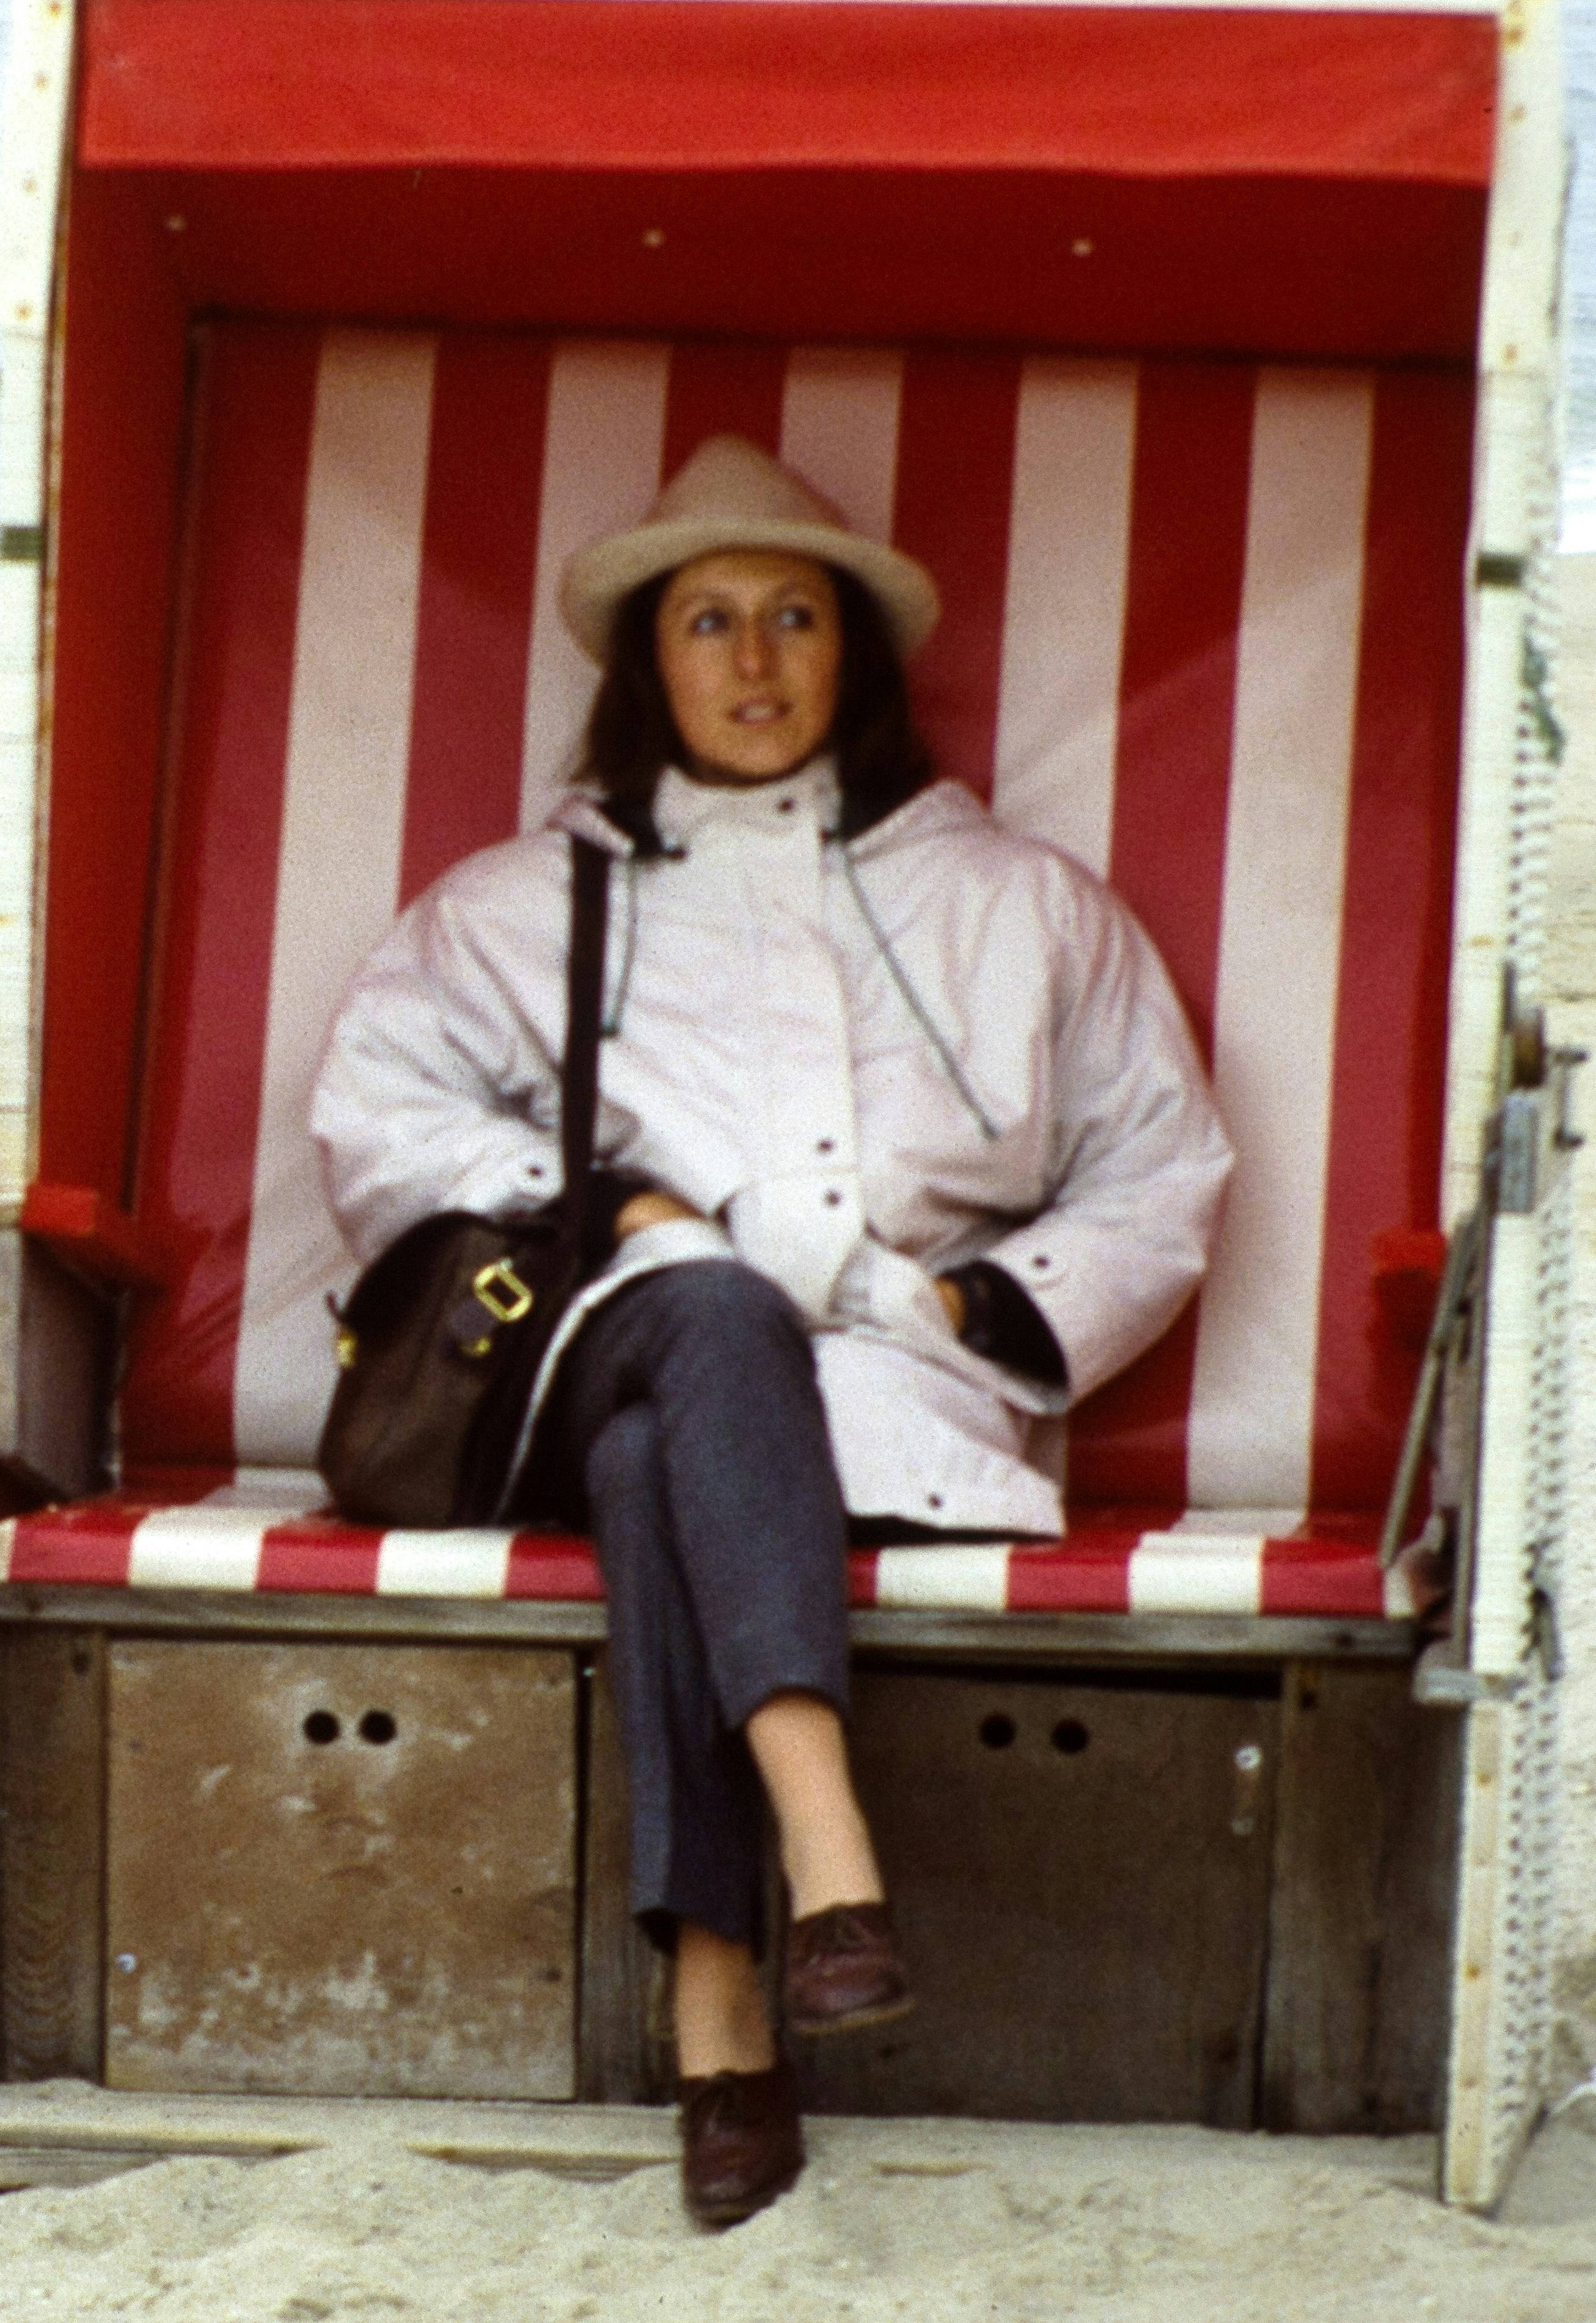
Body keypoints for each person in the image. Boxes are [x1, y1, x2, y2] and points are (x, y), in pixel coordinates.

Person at [309, 436, 1232, 2228]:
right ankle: (833, 1850)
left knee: (682, 1457)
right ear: (647, 667)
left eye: (791, 618)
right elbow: (378, 1111)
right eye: (707, 623)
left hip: (896, 1400)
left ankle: (721, 1997)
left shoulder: (1022, 908)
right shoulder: (524, 903)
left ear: (853, 656)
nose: (751, 663)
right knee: (701, 1315)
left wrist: (985, 1304)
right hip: (592, 1368)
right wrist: (605, 1212)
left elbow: (1160, 1158)